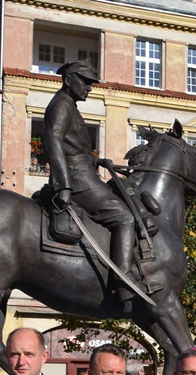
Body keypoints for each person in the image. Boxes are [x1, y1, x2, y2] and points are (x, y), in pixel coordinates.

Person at [44, 59, 143, 307]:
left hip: (83, 173)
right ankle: (123, 280)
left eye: (91, 83)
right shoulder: (62, 106)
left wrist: (95, 160)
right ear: (68, 79)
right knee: (125, 217)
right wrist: (63, 184)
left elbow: (70, 146)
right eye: (85, 82)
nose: (89, 87)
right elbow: (53, 141)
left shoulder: (69, 106)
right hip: (77, 180)